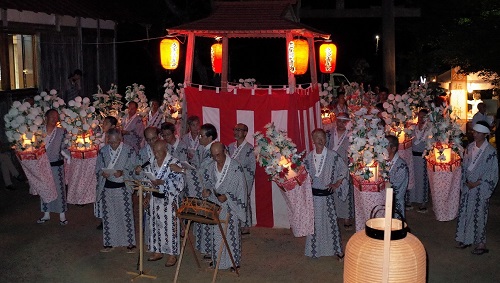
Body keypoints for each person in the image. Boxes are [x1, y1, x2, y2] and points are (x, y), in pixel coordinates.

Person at [172, 123, 217, 257]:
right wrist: (188, 166)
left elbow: (202, 171)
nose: (199, 138)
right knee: (202, 219)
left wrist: (182, 170)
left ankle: (212, 250)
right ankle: (206, 248)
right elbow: (196, 166)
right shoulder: (202, 148)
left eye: (202, 135)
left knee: (209, 219)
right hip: (202, 187)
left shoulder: (214, 150)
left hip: (210, 188)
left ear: (210, 137)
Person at [137, 140, 184, 267]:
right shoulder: (151, 162)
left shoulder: (174, 162)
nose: (155, 153)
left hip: (168, 200)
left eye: (158, 151)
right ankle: (158, 251)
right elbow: (147, 178)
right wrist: (147, 195)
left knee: (169, 228)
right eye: (154, 151)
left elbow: (179, 183)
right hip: (154, 199)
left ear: (165, 150)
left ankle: (171, 254)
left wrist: (162, 183)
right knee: (155, 226)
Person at [304, 129, 347, 260]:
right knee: (315, 224)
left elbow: (344, 170)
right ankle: (314, 250)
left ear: (326, 139)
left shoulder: (333, 156)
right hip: (314, 197)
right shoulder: (309, 157)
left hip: (327, 196)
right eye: (317, 137)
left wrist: (336, 184)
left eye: (322, 137)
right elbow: (303, 175)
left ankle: (336, 249)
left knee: (331, 222)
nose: (320, 140)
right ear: (313, 140)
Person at [455, 121, 498, 255]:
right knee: (466, 212)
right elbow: (464, 166)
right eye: (474, 131)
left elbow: (493, 172)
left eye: (478, 132)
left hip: (480, 187)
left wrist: (478, 182)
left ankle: (481, 243)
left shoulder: (491, 151)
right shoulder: (470, 147)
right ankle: (466, 238)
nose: (475, 134)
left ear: (485, 134)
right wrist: (466, 181)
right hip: (468, 186)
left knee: (479, 214)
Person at [202, 142, 246, 271]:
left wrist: (227, 196)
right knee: (216, 234)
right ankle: (218, 261)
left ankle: (234, 262)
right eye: (213, 155)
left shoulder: (235, 167)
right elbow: (208, 182)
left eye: (219, 155)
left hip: (230, 207)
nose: (216, 158)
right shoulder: (210, 167)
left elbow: (241, 188)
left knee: (231, 235)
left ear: (225, 151)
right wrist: (208, 191)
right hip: (216, 206)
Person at [96, 128, 137, 253]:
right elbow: (97, 168)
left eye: (115, 142)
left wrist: (123, 172)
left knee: (125, 215)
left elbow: (134, 168)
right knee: (109, 216)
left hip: (123, 188)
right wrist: (102, 173)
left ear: (121, 139)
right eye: (110, 142)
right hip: (107, 188)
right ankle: (109, 242)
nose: (113, 145)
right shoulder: (103, 151)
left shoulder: (129, 150)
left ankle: (129, 243)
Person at [36, 109, 69, 225]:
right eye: (52, 117)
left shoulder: (62, 131)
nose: (55, 120)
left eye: (56, 118)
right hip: (42, 165)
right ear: (46, 117)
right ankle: (46, 213)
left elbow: (66, 146)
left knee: (59, 189)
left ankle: (62, 215)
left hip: (57, 164)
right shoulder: (38, 131)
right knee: (44, 189)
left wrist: (68, 156)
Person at [326, 113, 354, 230]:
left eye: (344, 121)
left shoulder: (351, 135)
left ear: (348, 122)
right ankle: (335, 215)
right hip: (332, 165)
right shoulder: (330, 133)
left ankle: (347, 216)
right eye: (339, 121)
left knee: (346, 190)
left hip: (345, 165)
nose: (341, 124)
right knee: (333, 190)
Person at [228, 123, 256, 235]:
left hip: (244, 178)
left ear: (245, 133)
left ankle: (245, 225)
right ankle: (234, 223)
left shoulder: (249, 148)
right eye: (235, 129)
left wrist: (245, 179)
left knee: (244, 199)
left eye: (239, 130)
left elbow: (252, 167)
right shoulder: (230, 146)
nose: (236, 132)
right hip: (231, 178)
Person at [95, 116, 119, 230]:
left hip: (113, 171)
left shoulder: (117, 139)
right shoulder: (101, 136)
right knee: (101, 194)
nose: (103, 125)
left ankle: (113, 218)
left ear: (113, 126)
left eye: (106, 123)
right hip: (103, 170)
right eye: (103, 123)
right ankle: (103, 219)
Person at [408, 109, 430, 212]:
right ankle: (411, 200)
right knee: (412, 178)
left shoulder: (429, 130)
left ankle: (423, 202)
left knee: (422, 180)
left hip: (422, 158)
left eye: (423, 117)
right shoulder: (413, 128)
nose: (421, 119)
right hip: (412, 157)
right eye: (419, 116)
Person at [385, 135, 409, 218]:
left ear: (393, 148)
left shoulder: (401, 165)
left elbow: (395, 187)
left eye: (385, 146)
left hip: (395, 202)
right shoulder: (382, 161)